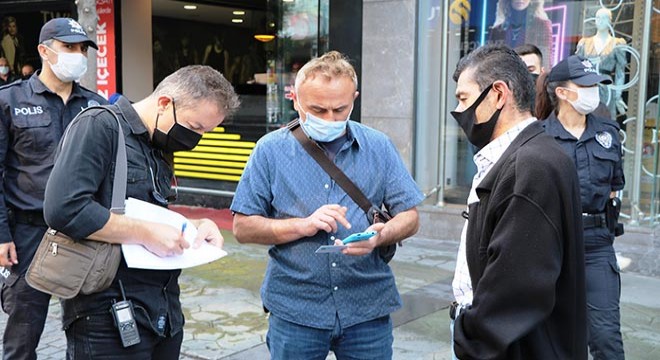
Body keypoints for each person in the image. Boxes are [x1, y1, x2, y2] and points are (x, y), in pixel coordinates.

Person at [231, 50, 424, 360]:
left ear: (355, 98)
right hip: (296, 309)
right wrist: (302, 225)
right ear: (295, 99)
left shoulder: (379, 146)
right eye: (317, 109)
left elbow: (410, 217)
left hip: (367, 306)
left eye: (340, 109)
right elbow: (242, 227)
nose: (329, 119)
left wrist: (381, 236)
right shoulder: (270, 150)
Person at [43, 64, 240, 359]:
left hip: (162, 310)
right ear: (164, 103)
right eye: (195, 127)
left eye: (206, 132)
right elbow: (64, 208)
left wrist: (192, 225)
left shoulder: (157, 143)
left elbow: (146, 211)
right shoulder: (100, 126)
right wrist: (146, 233)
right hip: (107, 313)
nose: (196, 139)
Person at [449, 45, 586, 360]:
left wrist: (470, 337)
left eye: (464, 98)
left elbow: (515, 287)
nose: (458, 110)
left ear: (498, 94)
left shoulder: (531, 166)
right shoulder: (527, 156)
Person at [0, 18, 107, 360]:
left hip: (83, 231)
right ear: (45, 51)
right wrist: (2, 235)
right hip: (28, 235)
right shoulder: (10, 101)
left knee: (90, 327)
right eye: (69, 48)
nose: (78, 55)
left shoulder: (95, 106)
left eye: (81, 49)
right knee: (23, 332)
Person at [535, 54, 625, 360]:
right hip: (551, 246)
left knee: (606, 337)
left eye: (595, 85)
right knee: (552, 339)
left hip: (596, 245)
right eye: (584, 85)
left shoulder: (608, 134)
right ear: (561, 92)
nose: (592, 92)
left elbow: (614, 187)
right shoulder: (538, 137)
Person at [576, 7, 627, 118]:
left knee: (606, 119)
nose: (600, 21)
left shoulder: (617, 44)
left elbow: (620, 72)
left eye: (604, 18)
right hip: (587, 85)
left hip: (607, 87)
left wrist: (618, 96)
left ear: (610, 21)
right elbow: (577, 68)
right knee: (585, 119)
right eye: (598, 17)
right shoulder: (585, 43)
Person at [488, 0, 553, 70]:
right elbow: (490, 61)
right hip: (502, 76)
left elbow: (546, 62)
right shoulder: (497, 30)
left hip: (529, 77)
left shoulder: (542, 25)